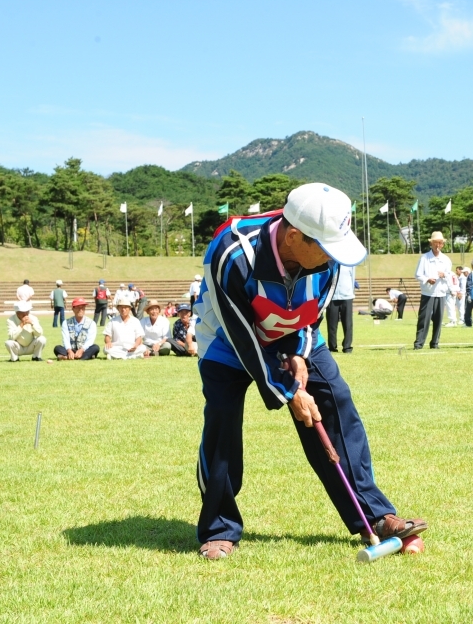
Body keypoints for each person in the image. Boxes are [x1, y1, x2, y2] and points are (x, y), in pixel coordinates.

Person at [192, 182, 426, 560]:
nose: (333, 258)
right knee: (222, 423)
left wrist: (299, 355)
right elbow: (241, 335)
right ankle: (219, 528)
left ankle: (375, 514)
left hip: (292, 330)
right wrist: (290, 391)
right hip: (227, 339)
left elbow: (312, 318)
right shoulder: (233, 253)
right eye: (326, 248)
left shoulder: (328, 262)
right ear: (294, 236)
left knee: (336, 402)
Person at [414, 232, 453, 350]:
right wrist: (427, 279)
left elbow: (449, 275)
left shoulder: (446, 259)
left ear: (442, 245)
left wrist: (444, 274)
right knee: (424, 319)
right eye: (436, 243)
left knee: (438, 319)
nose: (438, 245)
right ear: (431, 243)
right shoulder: (424, 258)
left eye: (440, 243)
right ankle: (419, 343)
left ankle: (435, 343)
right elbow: (418, 274)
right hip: (428, 293)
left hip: (441, 293)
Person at [326, 265, 355, 353]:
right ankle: (332, 347)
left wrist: (350, 292)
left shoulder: (350, 263)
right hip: (332, 297)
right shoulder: (330, 263)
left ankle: (347, 347)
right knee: (331, 325)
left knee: (348, 323)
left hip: (347, 296)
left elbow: (353, 277)